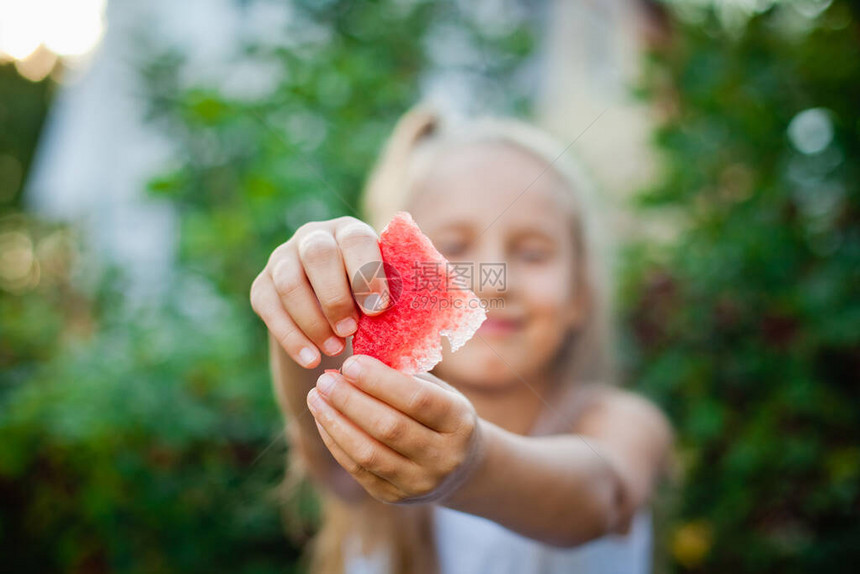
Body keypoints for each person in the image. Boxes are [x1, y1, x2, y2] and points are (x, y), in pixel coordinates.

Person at [249, 106, 674, 574]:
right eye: (451, 248)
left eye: (533, 252)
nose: (494, 281)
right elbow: (318, 393)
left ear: (579, 297)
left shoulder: (621, 422)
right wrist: (306, 296)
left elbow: (600, 500)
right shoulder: (376, 431)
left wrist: (470, 467)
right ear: (392, 277)